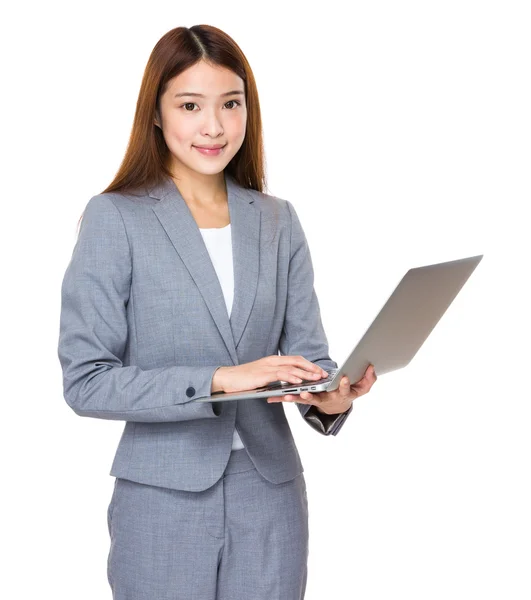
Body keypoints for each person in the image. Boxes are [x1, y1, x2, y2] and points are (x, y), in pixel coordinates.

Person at [57, 24, 377, 600]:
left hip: (271, 494)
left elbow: (308, 355)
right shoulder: (116, 218)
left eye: (231, 104)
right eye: (190, 105)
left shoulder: (278, 220)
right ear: (155, 114)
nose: (214, 126)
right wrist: (222, 381)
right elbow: (87, 382)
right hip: (161, 497)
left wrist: (330, 396)